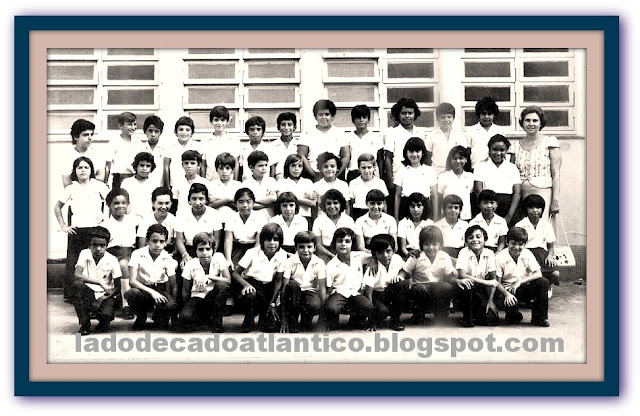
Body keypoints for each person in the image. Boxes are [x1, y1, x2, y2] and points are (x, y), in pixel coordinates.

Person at [54, 157, 109, 300]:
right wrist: (63, 226)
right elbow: (57, 207)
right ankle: (72, 295)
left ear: (91, 170)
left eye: (86, 167)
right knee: (74, 261)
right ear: (75, 171)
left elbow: (111, 201)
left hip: (95, 230)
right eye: (79, 168)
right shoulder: (71, 188)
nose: (83, 170)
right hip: (77, 231)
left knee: (92, 260)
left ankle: (96, 292)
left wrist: (107, 222)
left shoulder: (98, 185)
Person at [509, 106, 562, 219]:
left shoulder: (550, 142)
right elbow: (511, 175)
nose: (531, 124)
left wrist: (555, 200)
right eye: (527, 120)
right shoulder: (515, 147)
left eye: (535, 120)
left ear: (541, 123)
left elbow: (556, 173)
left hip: (543, 192)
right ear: (522, 123)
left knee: (541, 226)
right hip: (520, 195)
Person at [232, 223, 287, 333]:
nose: (272, 243)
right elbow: (235, 274)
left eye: (275, 239)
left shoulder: (282, 255)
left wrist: (272, 303)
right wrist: (246, 285)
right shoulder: (252, 253)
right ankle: (249, 318)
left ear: (280, 241)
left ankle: (264, 315)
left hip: (269, 289)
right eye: (268, 239)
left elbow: (278, 281)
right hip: (252, 285)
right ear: (262, 241)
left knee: (270, 328)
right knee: (250, 293)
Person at [68, 226, 121, 335]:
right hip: (88, 292)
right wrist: (99, 282)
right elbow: (77, 275)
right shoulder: (84, 253)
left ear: (107, 245)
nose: (98, 249)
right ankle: (85, 323)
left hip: (105, 295)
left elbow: (117, 287)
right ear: (89, 245)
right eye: (94, 245)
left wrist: (101, 299)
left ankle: (103, 321)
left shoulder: (112, 260)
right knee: (77, 285)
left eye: (102, 245)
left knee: (106, 315)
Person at [124, 224, 178, 330]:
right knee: (132, 293)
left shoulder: (167, 257)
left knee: (165, 316)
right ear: (147, 241)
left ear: (165, 243)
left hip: (160, 289)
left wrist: (173, 311)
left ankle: (159, 314)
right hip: (142, 289)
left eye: (161, 241)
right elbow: (132, 281)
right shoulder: (137, 254)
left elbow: (173, 286)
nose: (158, 245)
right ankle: (141, 316)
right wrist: (152, 292)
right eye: (154, 241)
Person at [398, 226, 456, 324]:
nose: (430, 248)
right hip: (420, 288)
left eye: (434, 244)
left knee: (447, 287)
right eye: (427, 244)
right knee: (419, 288)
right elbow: (403, 271)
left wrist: (457, 280)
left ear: (440, 245)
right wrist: (400, 278)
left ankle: (440, 313)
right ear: (421, 245)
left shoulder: (444, 256)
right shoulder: (416, 256)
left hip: (437, 289)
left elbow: (449, 276)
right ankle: (418, 314)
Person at [494, 227, 550, 327]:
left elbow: (538, 273)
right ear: (507, 242)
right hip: (508, 290)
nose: (516, 247)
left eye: (520, 244)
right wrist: (506, 294)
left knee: (543, 282)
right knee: (513, 320)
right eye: (513, 243)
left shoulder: (527, 253)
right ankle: (513, 314)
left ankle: (539, 318)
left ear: (525, 244)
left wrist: (520, 282)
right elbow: (497, 282)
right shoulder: (500, 257)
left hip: (524, 286)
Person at [99, 188, 139, 320]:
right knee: (122, 264)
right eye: (116, 203)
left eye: (123, 203)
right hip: (112, 255)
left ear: (128, 204)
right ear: (109, 205)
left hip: (131, 253)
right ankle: (125, 305)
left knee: (125, 264)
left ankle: (127, 303)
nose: (120, 206)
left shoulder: (134, 221)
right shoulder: (105, 225)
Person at [179, 232, 231, 333]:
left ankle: (217, 323)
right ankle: (203, 319)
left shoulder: (219, 257)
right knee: (185, 319)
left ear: (213, 250)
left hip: (213, 297)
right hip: (198, 297)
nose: (204, 253)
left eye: (208, 249)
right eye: (200, 249)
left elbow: (228, 280)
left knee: (222, 286)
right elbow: (185, 290)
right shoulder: (190, 264)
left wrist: (209, 277)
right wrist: (186, 308)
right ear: (195, 251)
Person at [324, 227, 373, 331]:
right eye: (339, 241)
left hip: (356, 293)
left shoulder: (358, 256)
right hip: (339, 293)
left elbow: (373, 255)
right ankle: (333, 321)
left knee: (367, 306)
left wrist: (373, 261)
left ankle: (354, 321)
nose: (343, 244)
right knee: (332, 308)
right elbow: (328, 289)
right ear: (334, 244)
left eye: (347, 241)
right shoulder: (331, 265)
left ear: (352, 243)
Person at [454, 225, 500, 327]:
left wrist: (490, 300)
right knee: (467, 283)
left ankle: (479, 313)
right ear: (466, 242)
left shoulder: (490, 253)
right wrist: (486, 282)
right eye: (471, 237)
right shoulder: (464, 252)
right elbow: (462, 275)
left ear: (485, 240)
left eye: (478, 237)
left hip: (481, 289)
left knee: (491, 320)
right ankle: (467, 319)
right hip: (466, 289)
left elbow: (493, 279)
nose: (475, 240)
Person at [280, 231, 326, 333]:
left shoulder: (319, 263)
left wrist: (321, 319)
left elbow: (322, 290)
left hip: (309, 293)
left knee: (314, 305)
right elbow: (284, 289)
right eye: (301, 247)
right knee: (292, 286)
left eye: (309, 247)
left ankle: (306, 319)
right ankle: (293, 321)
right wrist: (284, 319)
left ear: (314, 248)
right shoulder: (289, 262)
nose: (305, 250)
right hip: (293, 294)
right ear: (296, 248)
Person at [364, 234, 408, 331]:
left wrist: (399, 276)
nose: (385, 255)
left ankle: (395, 320)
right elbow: (368, 290)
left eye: (388, 251)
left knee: (401, 283)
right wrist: (370, 313)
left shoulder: (396, 258)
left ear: (393, 250)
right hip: (376, 295)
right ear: (374, 253)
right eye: (380, 252)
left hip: (389, 292)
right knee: (383, 311)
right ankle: (374, 320)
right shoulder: (373, 266)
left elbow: (404, 269)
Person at [175, 183, 223, 271]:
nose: (197, 202)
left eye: (201, 199)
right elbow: (179, 240)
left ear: (206, 200)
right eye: (194, 199)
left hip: (208, 250)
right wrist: (185, 255)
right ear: (189, 200)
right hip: (188, 250)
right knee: (186, 268)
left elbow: (217, 240)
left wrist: (209, 255)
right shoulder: (181, 214)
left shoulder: (215, 214)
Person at [474, 134, 521, 223]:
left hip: (507, 205)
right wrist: (485, 210)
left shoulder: (512, 167)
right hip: (487, 204)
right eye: (495, 149)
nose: (498, 153)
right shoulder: (481, 166)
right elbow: (478, 190)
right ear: (489, 150)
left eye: (502, 150)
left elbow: (517, 192)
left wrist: (509, 215)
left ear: (506, 151)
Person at [514, 194, 560, 286]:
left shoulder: (546, 225)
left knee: (556, 273)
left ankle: (548, 284)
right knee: (529, 274)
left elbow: (550, 247)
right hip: (526, 253)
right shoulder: (520, 225)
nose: (535, 210)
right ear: (526, 209)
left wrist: (550, 256)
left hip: (542, 254)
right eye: (531, 207)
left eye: (538, 208)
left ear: (542, 209)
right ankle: (539, 286)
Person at [298, 99, 349, 180]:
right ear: (315, 116)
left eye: (327, 114)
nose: (324, 117)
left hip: (335, 175)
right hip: (312, 176)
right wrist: (314, 175)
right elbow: (302, 156)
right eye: (320, 114)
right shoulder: (307, 133)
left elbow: (346, 156)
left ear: (332, 116)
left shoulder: (340, 133)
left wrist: (335, 175)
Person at [393, 137, 438, 222]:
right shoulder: (402, 170)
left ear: (423, 153)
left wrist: (435, 219)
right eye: (411, 151)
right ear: (406, 153)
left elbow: (434, 196)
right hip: (406, 207)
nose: (414, 154)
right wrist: (396, 218)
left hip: (424, 207)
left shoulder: (429, 170)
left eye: (417, 151)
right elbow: (397, 196)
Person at [224, 188, 268, 269]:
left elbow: (258, 243)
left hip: (255, 250)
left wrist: (251, 258)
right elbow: (228, 240)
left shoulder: (260, 217)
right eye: (241, 202)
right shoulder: (231, 217)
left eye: (248, 202)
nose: (245, 205)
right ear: (235, 203)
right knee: (233, 270)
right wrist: (228, 259)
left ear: (253, 203)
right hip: (237, 249)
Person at [106, 112, 150, 190]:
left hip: (134, 178)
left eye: (135, 124)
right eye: (129, 124)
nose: (133, 127)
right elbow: (107, 165)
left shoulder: (137, 143)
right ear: (120, 126)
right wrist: (106, 182)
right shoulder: (114, 142)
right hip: (119, 178)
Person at [312, 189, 355, 263]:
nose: (332, 206)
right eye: (328, 203)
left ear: (341, 204)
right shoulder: (318, 221)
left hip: (345, 254)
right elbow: (318, 245)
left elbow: (352, 242)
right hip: (325, 254)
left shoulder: (348, 220)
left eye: (335, 203)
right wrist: (332, 256)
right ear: (324, 205)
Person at [425, 102, 468, 177]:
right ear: (438, 118)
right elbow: (427, 158)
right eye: (442, 117)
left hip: (455, 174)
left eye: (449, 117)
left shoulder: (460, 135)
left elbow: (463, 155)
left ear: (453, 118)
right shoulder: (431, 136)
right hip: (437, 174)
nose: (446, 120)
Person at [61, 119, 107, 186]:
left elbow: (101, 177)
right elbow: (66, 181)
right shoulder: (67, 156)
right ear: (76, 137)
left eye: (91, 134)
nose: (90, 138)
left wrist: (79, 179)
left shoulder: (97, 154)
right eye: (85, 135)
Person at [203, 105, 242, 181]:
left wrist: (235, 182)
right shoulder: (205, 141)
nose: (219, 123)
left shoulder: (234, 140)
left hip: (229, 182)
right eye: (216, 120)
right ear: (211, 121)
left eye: (222, 120)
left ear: (227, 121)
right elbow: (203, 165)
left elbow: (236, 164)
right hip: (210, 181)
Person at [346, 104, 384, 183]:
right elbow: (346, 158)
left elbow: (380, 160)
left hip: (370, 173)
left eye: (364, 117)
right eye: (358, 117)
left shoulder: (376, 137)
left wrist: (381, 177)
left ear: (369, 120)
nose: (361, 120)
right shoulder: (348, 137)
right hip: (353, 173)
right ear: (353, 120)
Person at [165, 116, 203, 190]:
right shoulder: (170, 146)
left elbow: (201, 167)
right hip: (175, 184)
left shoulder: (197, 146)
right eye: (181, 130)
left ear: (192, 132)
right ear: (176, 132)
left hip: (193, 185)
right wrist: (167, 186)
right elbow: (166, 167)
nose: (184, 133)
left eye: (187, 130)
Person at [466, 96, 504, 170]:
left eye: (489, 114)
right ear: (478, 114)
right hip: (475, 169)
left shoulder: (499, 131)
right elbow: (467, 154)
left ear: (494, 115)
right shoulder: (471, 131)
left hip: (495, 169)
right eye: (483, 114)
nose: (486, 117)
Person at [438, 146, 475, 221]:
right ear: (450, 160)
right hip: (447, 217)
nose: (458, 161)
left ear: (466, 160)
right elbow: (439, 199)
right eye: (454, 158)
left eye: (461, 158)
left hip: (466, 216)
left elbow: (472, 199)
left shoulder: (470, 177)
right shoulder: (443, 177)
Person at [354, 189, 397, 253]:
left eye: (379, 203)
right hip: (368, 255)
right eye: (372, 203)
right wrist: (375, 255)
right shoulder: (360, 221)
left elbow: (395, 247)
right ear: (366, 203)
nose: (376, 207)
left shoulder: (391, 220)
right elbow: (360, 247)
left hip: (387, 256)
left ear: (383, 204)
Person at [276, 153, 316, 222]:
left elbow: (312, 203)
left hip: (305, 216)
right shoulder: (281, 182)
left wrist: (290, 197)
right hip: (287, 217)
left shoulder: (308, 182)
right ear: (288, 167)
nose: (297, 169)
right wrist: (304, 200)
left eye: (300, 166)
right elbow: (281, 199)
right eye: (293, 166)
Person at [137, 187, 176, 255]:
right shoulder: (146, 220)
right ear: (153, 203)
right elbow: (141, 246)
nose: (164, 207)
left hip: (168, 254)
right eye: (160, 203)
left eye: (167, 203)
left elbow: (176, 248)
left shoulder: (174, 220)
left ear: (171, 203)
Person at [349, 153, 388, 220]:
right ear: (359, 168)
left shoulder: (380, 183)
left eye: (369, 167)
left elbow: (384, 204)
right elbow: (351, 204)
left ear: (374, 167)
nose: (366, 171)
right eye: (363, 168)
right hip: (359, 214)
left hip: (376, 213)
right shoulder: (353, 183)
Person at [171, 150, 212, 216]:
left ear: (199, 165)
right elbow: (174, 205)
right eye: (186, 163)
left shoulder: (205, 182)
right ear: (182, 165)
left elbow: (208, 204)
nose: (189, 166)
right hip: (182, 217)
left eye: (192, 163)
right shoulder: (178, 183)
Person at [242, 150, 278, 221]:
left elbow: (273, 199)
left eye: (266, 165)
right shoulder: (246, 184)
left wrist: (253, 200)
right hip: (253, 220)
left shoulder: (271, 181)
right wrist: (267, 203)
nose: (264, 168)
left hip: (270, 218)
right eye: (260, 165)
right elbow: (248, 205)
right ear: (251, 167)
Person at [397, 192, 434, 259]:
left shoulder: (429, 223)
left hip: (425, 254)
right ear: (408, 207)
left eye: (419, 206)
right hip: (408, 254)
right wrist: (410, 256)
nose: (416, 210)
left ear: (424, 207)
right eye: (412, 206)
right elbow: (403, 247)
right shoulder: (403, 223)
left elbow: (430, 245)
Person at [121, 151, 158, 219]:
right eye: (141, 165)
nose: (144, 168)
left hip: (147, 218)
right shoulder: (127, 182)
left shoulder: (154, 184)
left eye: (148, 166)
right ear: (136, 166)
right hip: (129, 218)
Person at [434, 194, 469, 263]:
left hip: (461, 256)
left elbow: (467, 246)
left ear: (460, 210)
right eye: (450, 207)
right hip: (442, 256)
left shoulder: (465, 225)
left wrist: (459, 260)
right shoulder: (437, 225)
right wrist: (450, 259)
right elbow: (436, 246)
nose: (453, 210)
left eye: (456, 208)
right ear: (444, 209)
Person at [239, 116, 272, 181]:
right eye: (252, 129)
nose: (255, 132)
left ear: (263, 131)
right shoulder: (242, 149)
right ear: (247, 131)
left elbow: (272, 170)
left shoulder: (269, 149)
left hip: (265, 184)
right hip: (247, 183)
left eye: (258, 129)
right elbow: (240, 170)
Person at [269, 112, 300, 180]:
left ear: (295, 127)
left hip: (295, 179)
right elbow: (272, 167)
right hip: (278, 178)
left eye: (289, 125)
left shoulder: (299, 145)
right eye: (283, 125)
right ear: (278, 127)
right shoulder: (272, 145)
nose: (286, 128)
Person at [142, 115, 170, 189]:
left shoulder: (166, 149)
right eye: (150, 131)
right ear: (145, 131)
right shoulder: (140, 148)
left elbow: (166, 170)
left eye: (156, 131)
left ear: (160, 133)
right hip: (144, 186)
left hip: (159, 187)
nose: (153, 134)